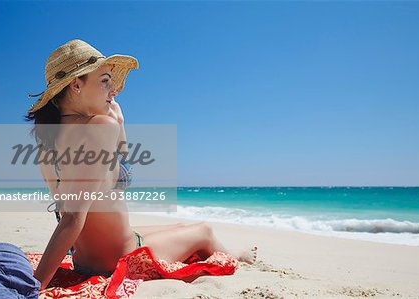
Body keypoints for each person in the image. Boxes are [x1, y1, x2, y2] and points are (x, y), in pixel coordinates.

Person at [25, 39, 257, 290]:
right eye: (104, 80)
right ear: (75, 85)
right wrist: (36, 286)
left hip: (86, 255)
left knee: (179, 227)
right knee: (204, 230)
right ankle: (234, 256)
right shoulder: (98, 128)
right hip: (116, 258)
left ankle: (226, 250)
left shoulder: (48, 138)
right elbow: (72, 217)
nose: (112, 90)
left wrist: (119, 121)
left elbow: (105, 182)